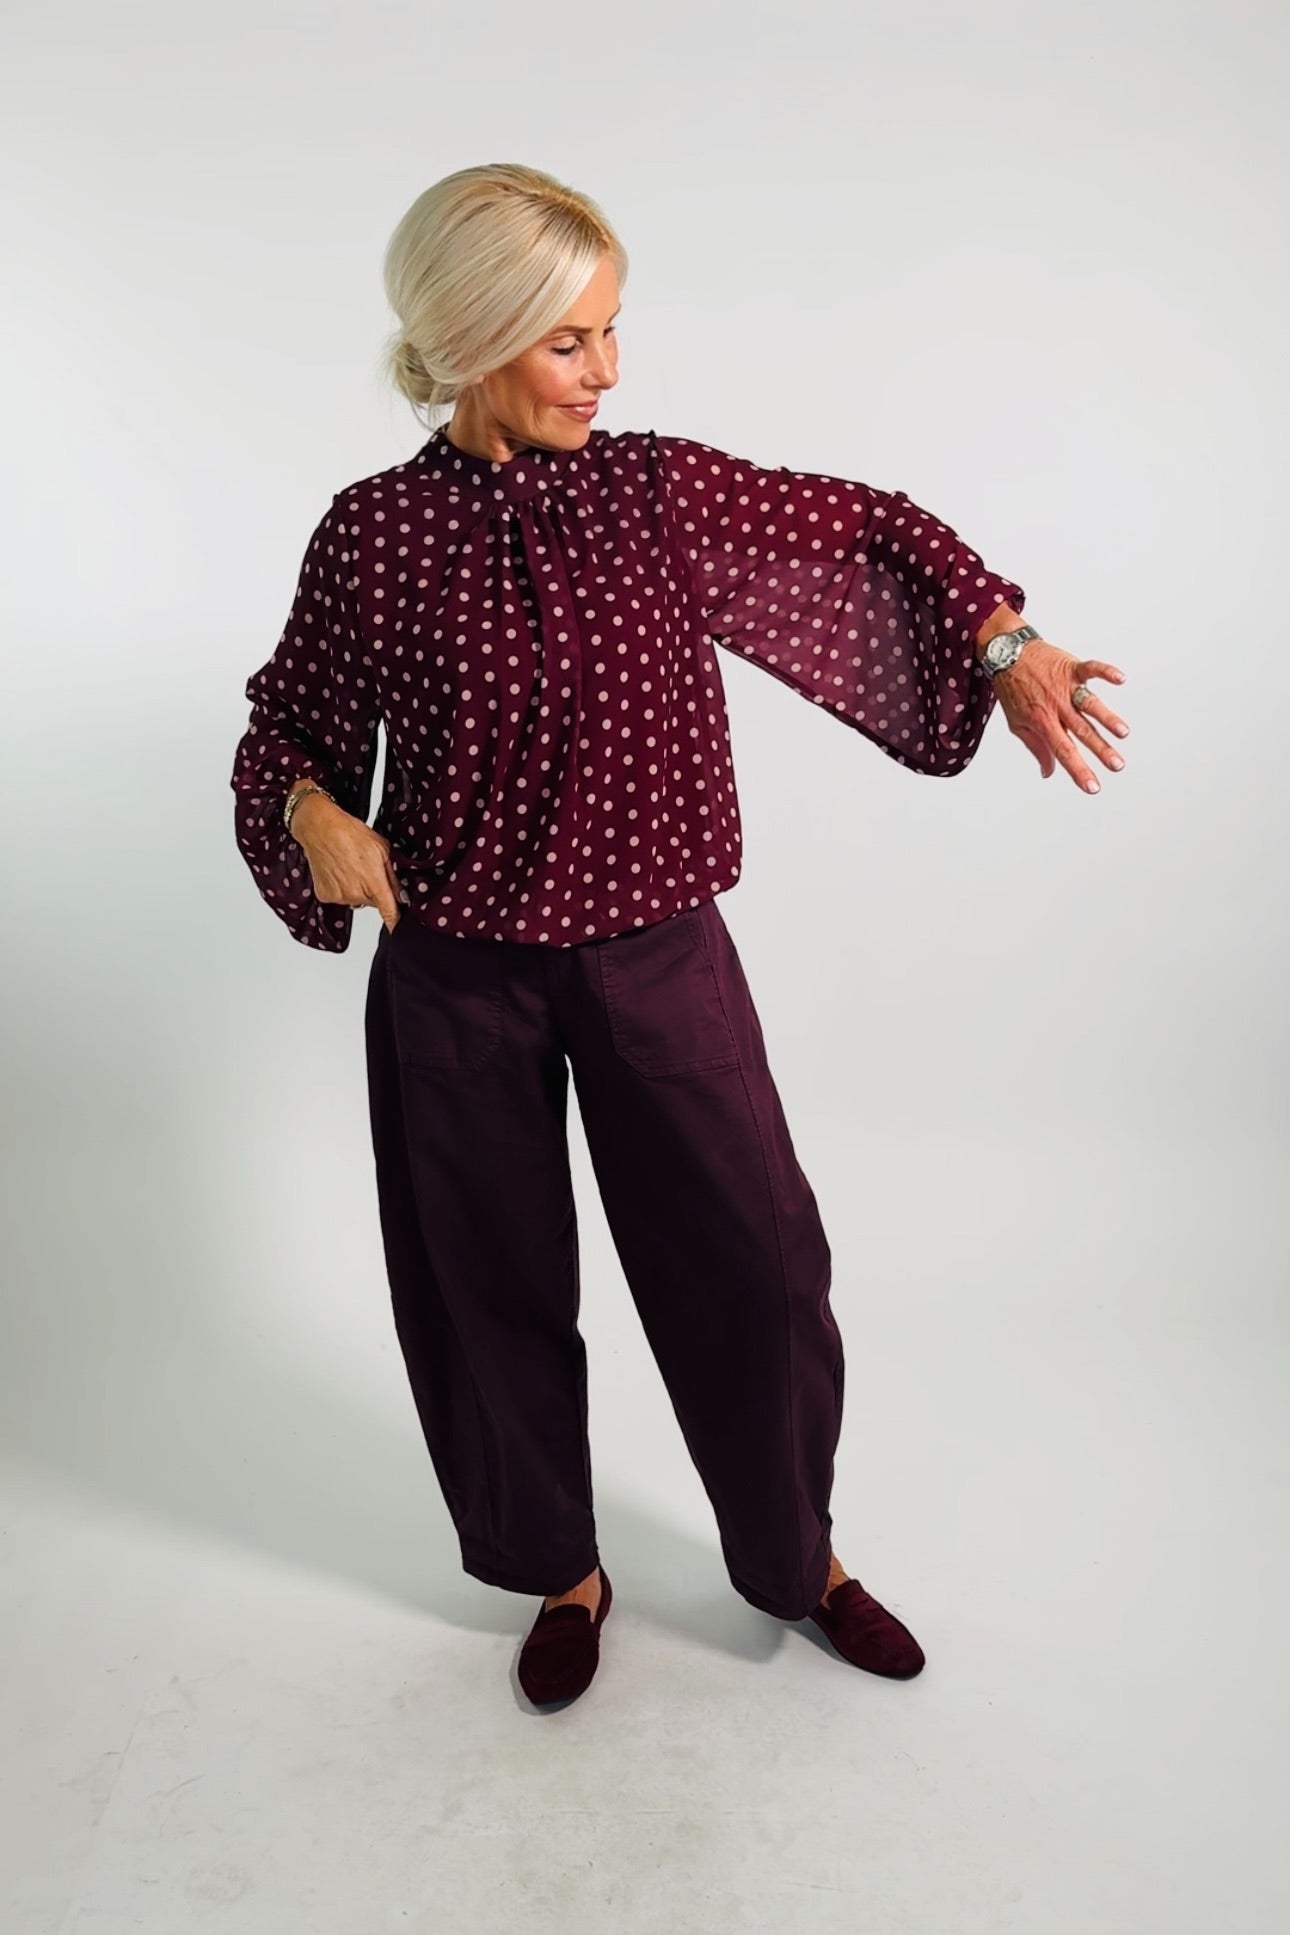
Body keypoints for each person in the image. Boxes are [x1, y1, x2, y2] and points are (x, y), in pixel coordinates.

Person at [230, 163, 1129, 1708]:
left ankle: (797, 1562)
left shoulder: (655, 494)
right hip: (457, 976)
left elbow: (866, 527)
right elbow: (285, 726)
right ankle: (557, 1571)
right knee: (481, 1283)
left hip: (656, 956)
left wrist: (1003, 642)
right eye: (566, 340)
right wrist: (311, 813)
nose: (607, 369)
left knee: (757, 1266)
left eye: (611, 329)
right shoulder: (374, 536)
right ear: (470, 340)